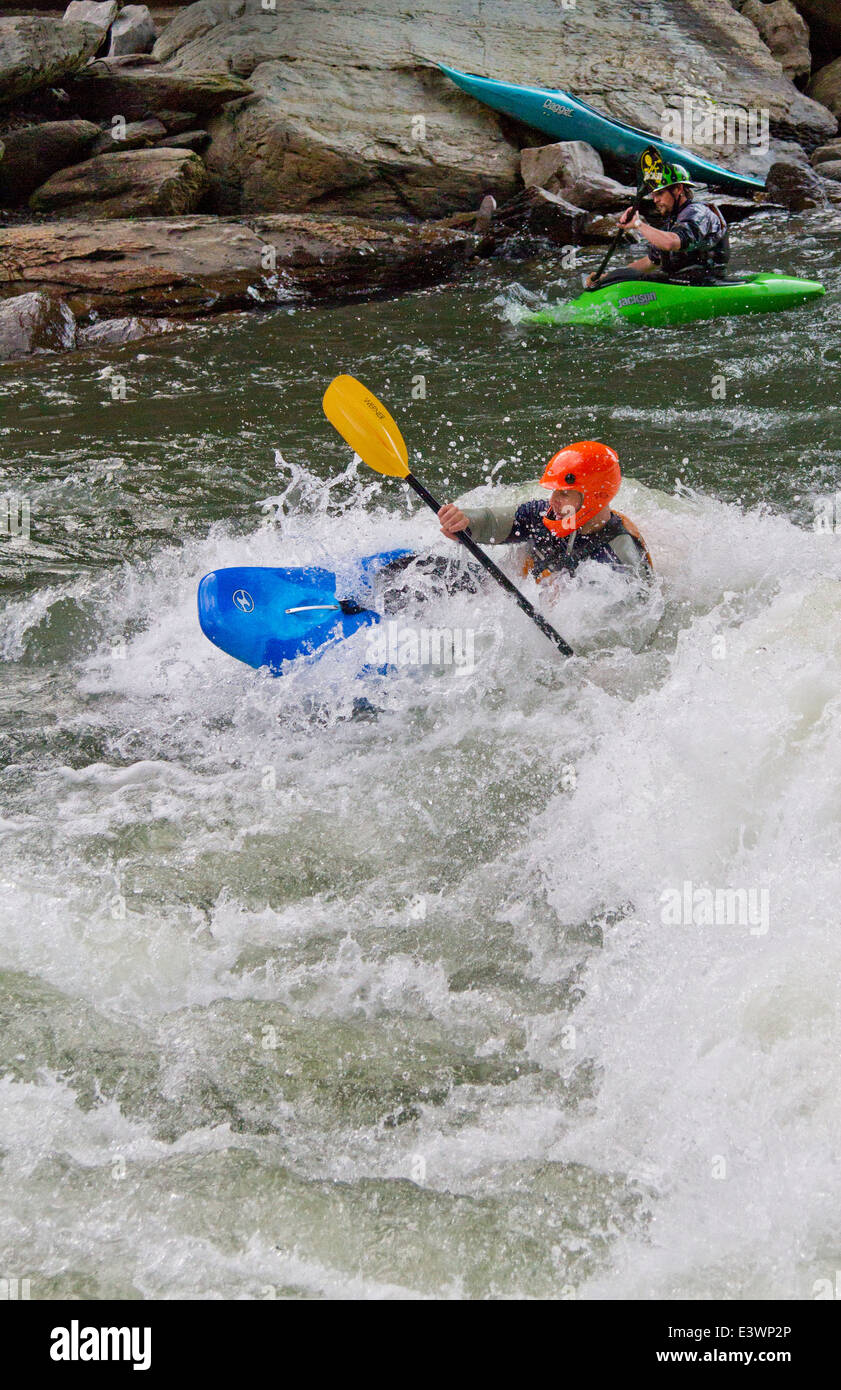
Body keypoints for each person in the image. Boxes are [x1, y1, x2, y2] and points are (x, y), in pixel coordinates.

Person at [436, 441, 652, 583]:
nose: (553, 501)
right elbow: (490, 522)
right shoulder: (542, 516)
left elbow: (625, 633)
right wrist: (464, 522)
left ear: (597, 497)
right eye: (554, 492)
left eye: (564, 494)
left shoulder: (620, 556)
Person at [586, 162, 729, 290]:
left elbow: (672, 242)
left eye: (660, 193)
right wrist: (608, 277)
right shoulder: (672, 222)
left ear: (678, 189)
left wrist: (638, 224)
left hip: (705, 283)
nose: (655, 200)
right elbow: (651, 261)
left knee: (628, 278)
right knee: (623, 275)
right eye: (653, 195)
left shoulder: (698, 213)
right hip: (682, 282)